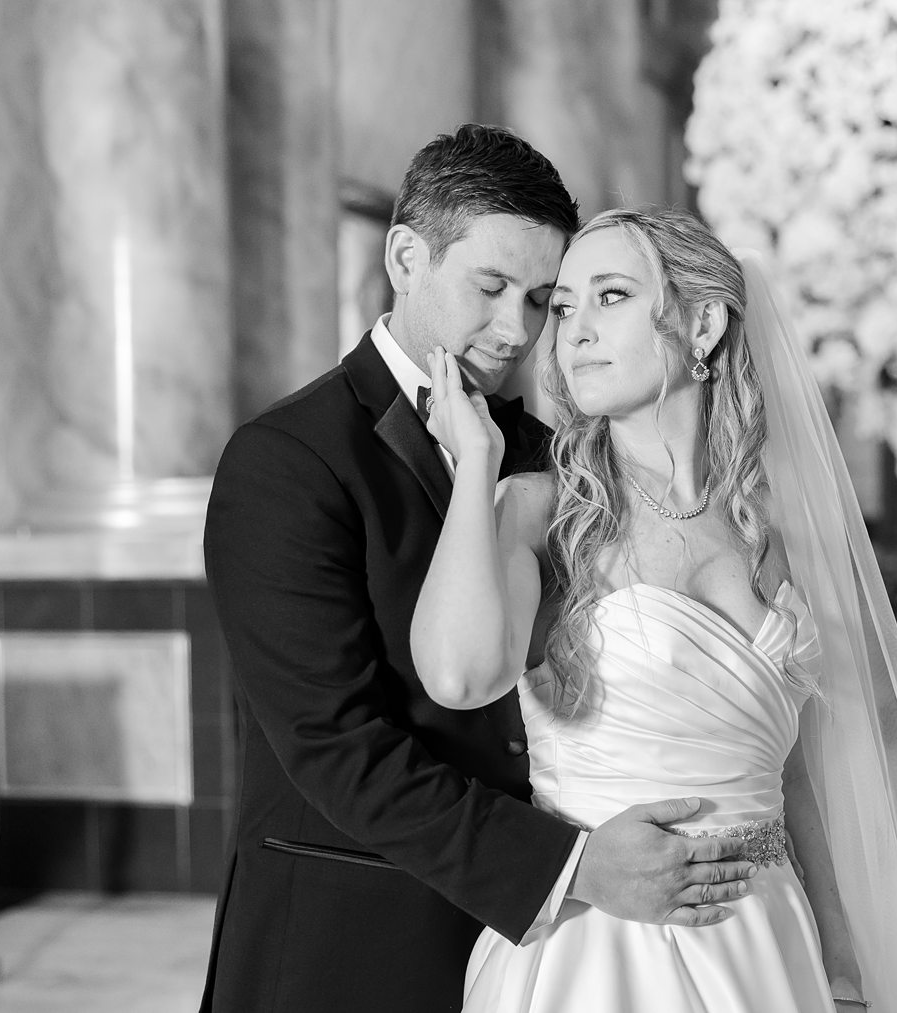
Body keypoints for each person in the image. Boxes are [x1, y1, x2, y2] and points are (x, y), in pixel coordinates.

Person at [199, 129, 758, 1012]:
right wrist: (568, 866)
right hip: (352, 940)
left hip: (547, 952)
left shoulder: (553, 456)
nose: (519, 331)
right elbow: (336, 747)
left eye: (544, 300)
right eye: (491, 288)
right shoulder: (286, 460)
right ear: (405, 257)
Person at [413, 206, 897, 1011]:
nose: (574, 330)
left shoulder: (767, 527)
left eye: (612, 295)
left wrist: (836, 942)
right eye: (563, 307)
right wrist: (476, 464)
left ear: (702, 324)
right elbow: (458, 676)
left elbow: (787, 760)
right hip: (601, 951)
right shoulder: (538, 511)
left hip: (767, 940)